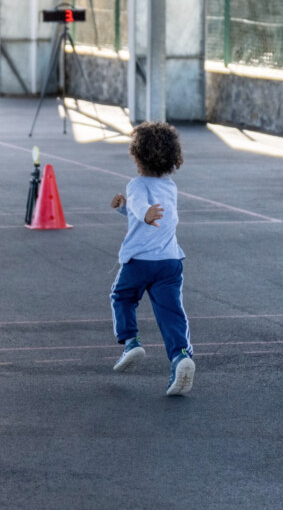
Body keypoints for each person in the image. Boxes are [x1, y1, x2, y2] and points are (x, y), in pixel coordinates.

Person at [109, 121, 194, 396]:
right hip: (170, 262)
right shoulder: (170, 187)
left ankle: (132, 342)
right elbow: (141, 211)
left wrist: (141, 211)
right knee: (171, 313)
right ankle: (181, 356)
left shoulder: (135, 185)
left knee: (121, 297)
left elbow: (141, 207)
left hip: (139, 261)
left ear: (137, 155)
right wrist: (127, 210)